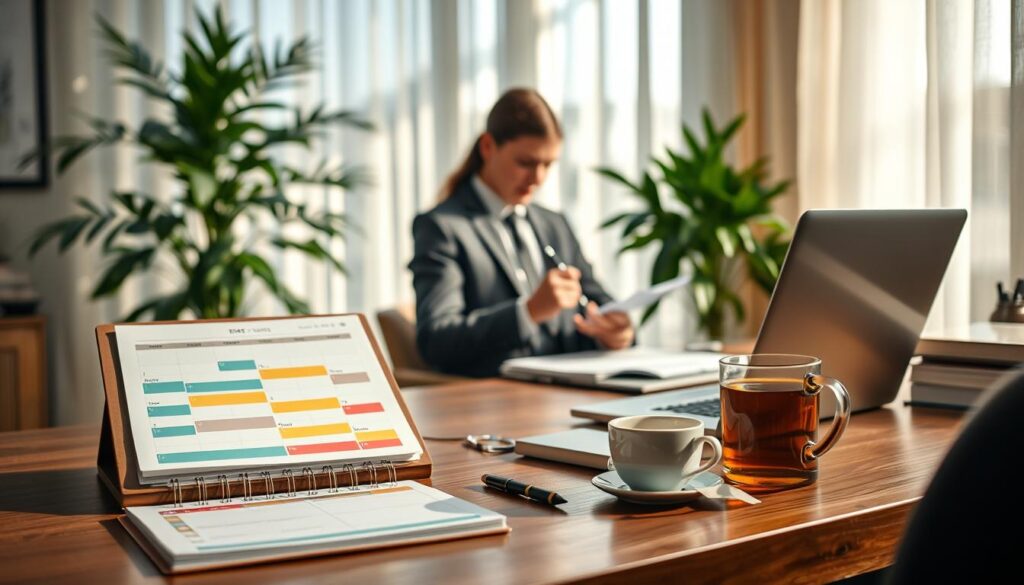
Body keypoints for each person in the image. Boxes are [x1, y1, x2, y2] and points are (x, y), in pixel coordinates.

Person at [409, 88, 634, 377]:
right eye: (525, 163)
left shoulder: (554, 224)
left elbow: (598, 305)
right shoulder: (443, 227)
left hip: (572, 394)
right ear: (488, 147)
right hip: (500, 406)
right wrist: (527, 312)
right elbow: (437, 340)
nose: (538, 178)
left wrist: (617, 333)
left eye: (548, 164)